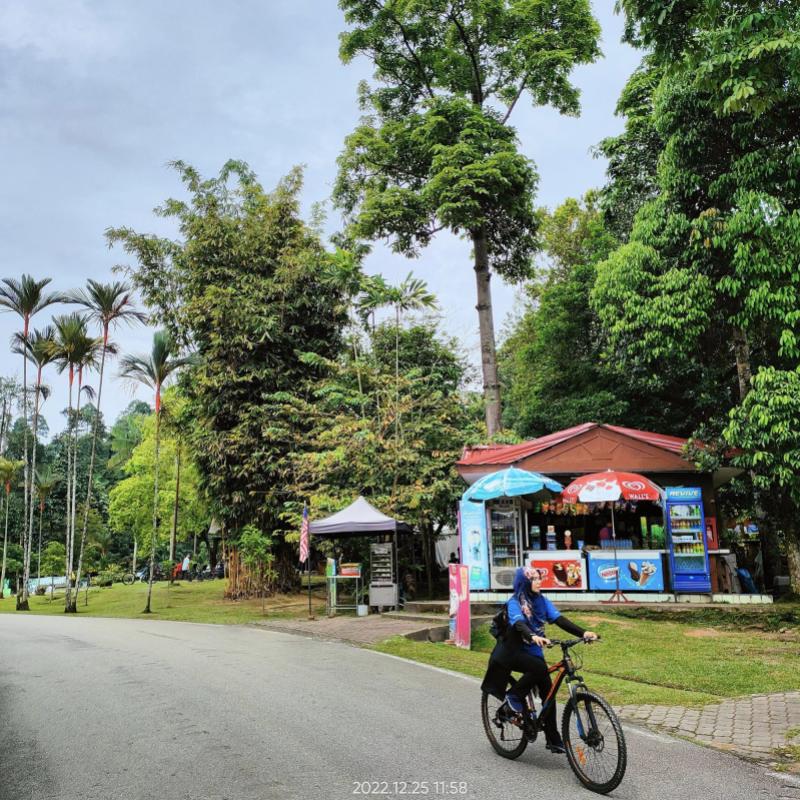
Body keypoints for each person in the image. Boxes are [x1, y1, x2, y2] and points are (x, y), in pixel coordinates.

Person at [481, 566, 597, 754]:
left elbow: (559, 620)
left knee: (548, 692)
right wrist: (532, 635)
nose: (538, 581)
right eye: (534, 579)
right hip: (512, 652)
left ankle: (553, 738)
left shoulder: (542, 601)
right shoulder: (514, 602)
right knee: (539, 669)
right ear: (524, 582)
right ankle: (513, 695)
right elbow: (519, 623)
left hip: (533, 652)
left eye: (538, 578)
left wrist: (583, 633)